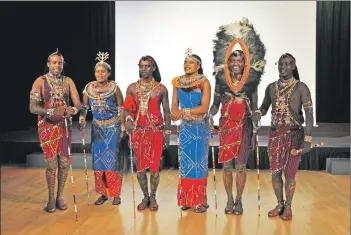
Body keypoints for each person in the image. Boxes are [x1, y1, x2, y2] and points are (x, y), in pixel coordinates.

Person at [210, 18, 266, 215]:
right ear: (227, 61)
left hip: (244, 126)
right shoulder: (220, 81)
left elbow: (256, 107)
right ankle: (229, 199)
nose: (236, 63)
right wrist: (210, 115)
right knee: (226, 166)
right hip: (226, 126)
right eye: (232, 60)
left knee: (241, 166)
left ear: (245, 62)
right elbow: (215, 105)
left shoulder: (251, 82)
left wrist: (257, 114)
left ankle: (239, 200)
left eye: (239, 60)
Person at [251, 53, 313, 221]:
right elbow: (264, 107)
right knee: (275, 174)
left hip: (294, 136)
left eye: (287, 64)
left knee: (290, 175)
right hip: (275, 136)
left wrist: (307, 140)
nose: (283, 67)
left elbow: (308, 116)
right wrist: (258, 113)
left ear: (293, 66)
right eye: (280, 64)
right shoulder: (271, 87)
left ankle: (289, 206)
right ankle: (279, 204)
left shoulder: (301, 88)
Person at [29, 49, 81, 213]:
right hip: (47, 126)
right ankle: (51, 198)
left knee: (64, 163)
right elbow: (32, 107)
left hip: (64, 126)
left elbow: (77, 103)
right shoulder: (40, 81)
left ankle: (60, 196)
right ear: (48, 64)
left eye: (59, 63)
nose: (57, 65)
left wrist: (72, 110)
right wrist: (51, 112)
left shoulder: (68, 81)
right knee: (51, 164)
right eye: (54, 62)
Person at [123, 55, 171, 211]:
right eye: (141, 66)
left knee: (155, 168)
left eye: (147, 66)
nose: (144, 69)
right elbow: (126, 109)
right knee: (141, 168)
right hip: (139, 132)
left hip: (156, 132)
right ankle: (145, 197)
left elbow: (167, 111)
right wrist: (129, 120)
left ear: (153, 68)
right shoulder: (132, 87)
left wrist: (168, 132)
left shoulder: (161, 89)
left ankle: (154, 197)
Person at [79, 52, 125, 206]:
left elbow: (121, 108)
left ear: (108, 73)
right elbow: (85, 107)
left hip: (113, 128)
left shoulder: (114, 88)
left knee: (113, 162)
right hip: (97, 129)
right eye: (97, 71)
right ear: (94, 73)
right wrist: (82, 117)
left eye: (103, 71)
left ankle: (116, 194)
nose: (100, 74)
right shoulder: (88, 88)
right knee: (99, 162)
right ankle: (103, 193)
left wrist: (123, 126)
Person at [171, 49, 211, 213]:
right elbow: (174, 104)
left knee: (199, 164)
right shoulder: (177, 82)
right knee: (186, 165)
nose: (187, 65)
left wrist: (183, 112)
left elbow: (204, 108)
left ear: (198, 65)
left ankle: (200, 201)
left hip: (200, 129)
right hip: (186, 129)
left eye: (191, 62)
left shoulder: (204, 82)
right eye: (185, 62)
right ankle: (187, 199)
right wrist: (175, 113)